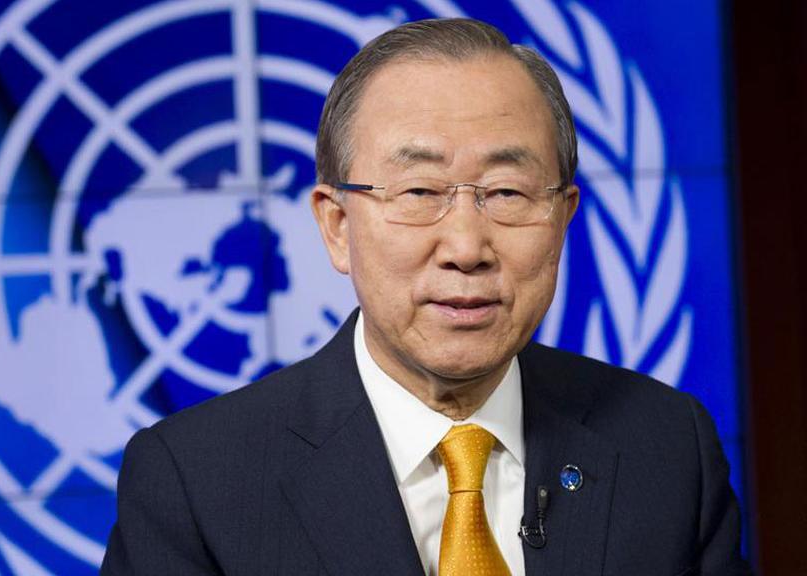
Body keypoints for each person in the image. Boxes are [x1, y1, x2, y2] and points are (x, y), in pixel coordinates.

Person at [100, 18, 750, 575]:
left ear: (562, 217)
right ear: (336, 226)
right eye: (418, 192)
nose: (466, 247)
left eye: (507, 192)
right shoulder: (195, 483)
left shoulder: (668, 448)